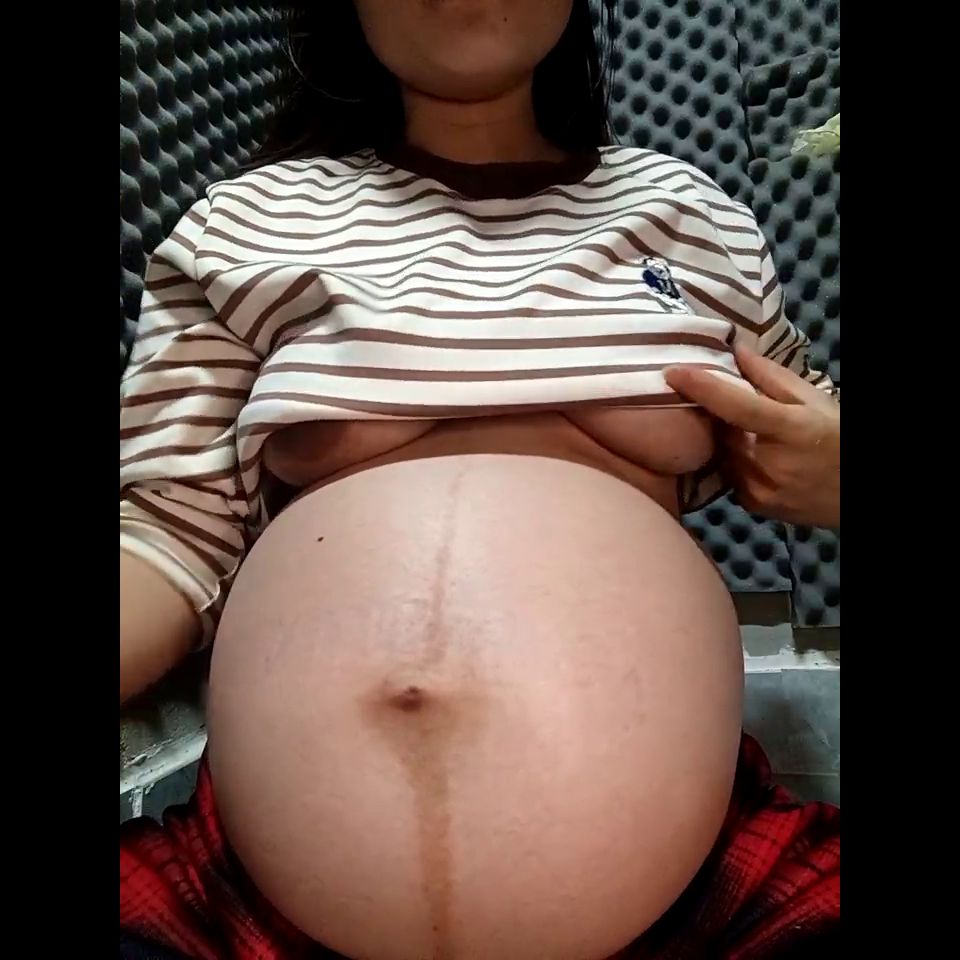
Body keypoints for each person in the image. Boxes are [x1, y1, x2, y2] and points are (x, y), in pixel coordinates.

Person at [120, 1, 840, 958]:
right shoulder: (242, 221)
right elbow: (169, 537)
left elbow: (805, 437)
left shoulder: (691, 214)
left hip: (719, 899)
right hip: (233, 905)